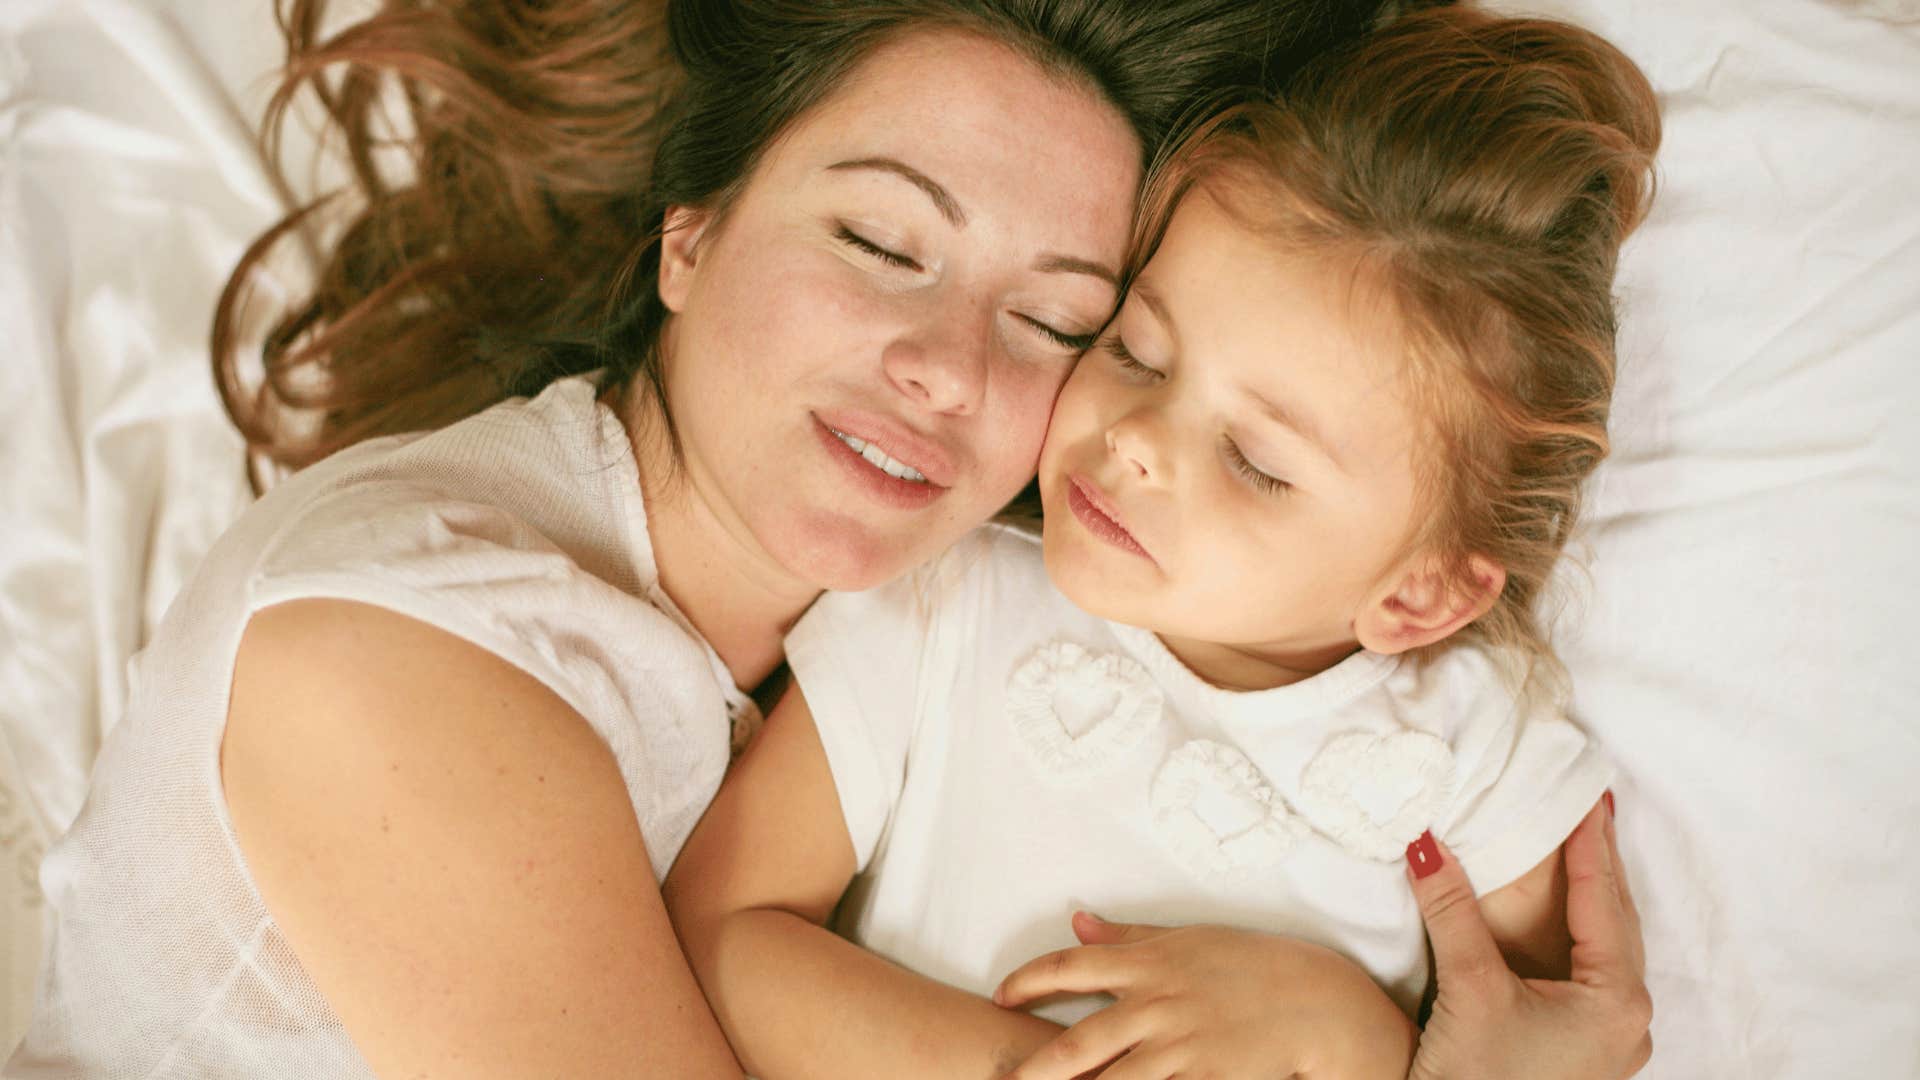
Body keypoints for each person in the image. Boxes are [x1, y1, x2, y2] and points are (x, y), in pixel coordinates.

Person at [4, 1, 1651, 1078]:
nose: (949, 364)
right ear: (692, 231)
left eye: (1064, 320)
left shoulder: (924, 615)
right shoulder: (402, 668)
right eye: (882, 240)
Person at [662, 5, 1660, 1078]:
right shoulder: (946, 605)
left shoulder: (1478, 753)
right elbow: (716, 930)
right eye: (1135, 351)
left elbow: (1544, 1047)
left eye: (1255, 461)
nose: (1134, 442)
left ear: (1419, 595)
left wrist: (1362, 1041)